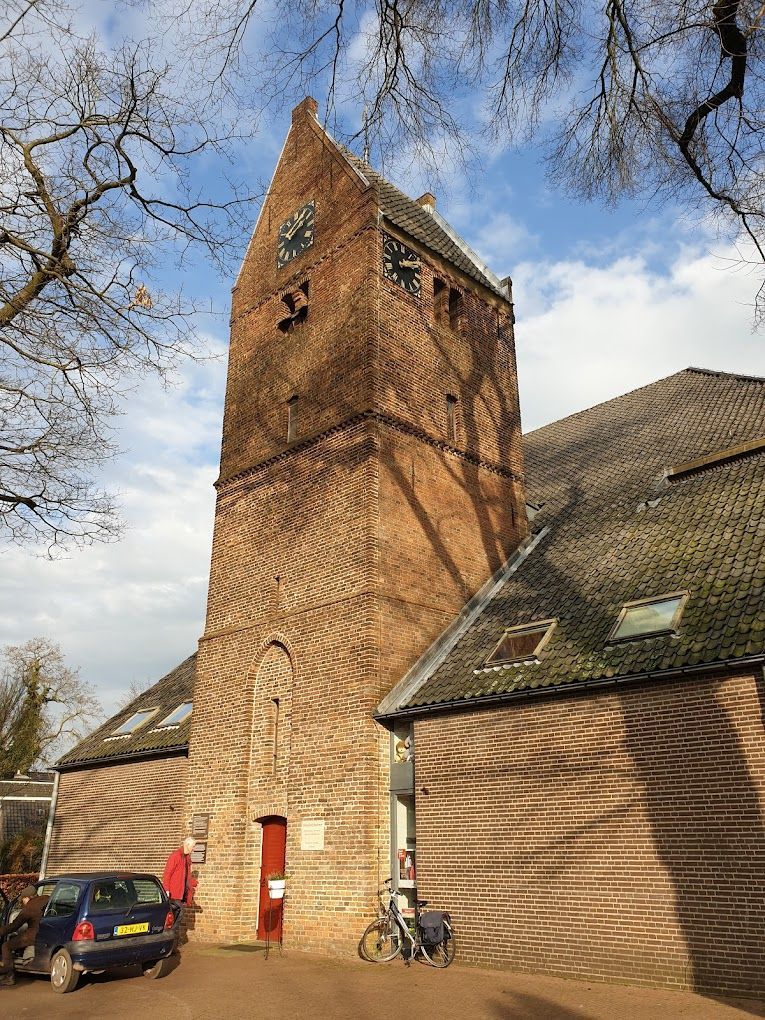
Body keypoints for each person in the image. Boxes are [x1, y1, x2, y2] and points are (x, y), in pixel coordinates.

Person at [0, 885, 50, 986]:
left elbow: (14, 926)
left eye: (22, 899)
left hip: (33, 935)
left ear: (27, 897)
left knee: (6, 946)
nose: (22, 902)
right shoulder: (47, 898)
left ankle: (9, 976)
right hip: (48, 932)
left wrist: (1, 931)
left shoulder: (28, 909)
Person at [162, 837, 197, 907]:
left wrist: (193, 884)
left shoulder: (187, 858)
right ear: (187, 845)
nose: (193, 849)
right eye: (193, 846)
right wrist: (166, 890)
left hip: (182, 894)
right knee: (178, 916)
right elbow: (167, 874)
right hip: (174, 894)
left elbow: (186, 876)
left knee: (179, 916)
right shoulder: (175, 856)